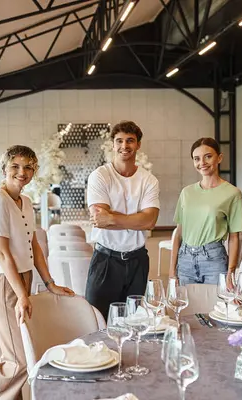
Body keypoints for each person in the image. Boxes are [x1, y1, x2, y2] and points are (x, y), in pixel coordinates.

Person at [0, 145, 74, 400]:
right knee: (20, 358)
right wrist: (22, 296)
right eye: (15, 166)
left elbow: (34, 244)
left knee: (8, 353)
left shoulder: (25, 201)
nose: (22, 172)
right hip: (6, 282)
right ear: (4, 169)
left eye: (28, 167)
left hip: (23, 278)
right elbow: (3, 255)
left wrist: (49, 283)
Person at [85, 121, 160, 320]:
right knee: (97, 320)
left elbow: (150, 221)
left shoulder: (149, 180)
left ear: (138, 145)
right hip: (105, 260)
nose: (124, 146)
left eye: (130, 141)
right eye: (119, 141)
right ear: (113, 144)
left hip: (138, 260)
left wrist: (112, 218)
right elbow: (100, 218)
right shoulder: (100, 176)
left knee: (133, 321)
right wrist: (137, 220)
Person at [169, 137, 242, 289]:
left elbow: (234, 237)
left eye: (208, 156)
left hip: (214, 260)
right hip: (185, 259)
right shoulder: (187, 192)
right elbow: (179, 233)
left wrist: (231, 273)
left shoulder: (232, 193)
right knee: (186, 309)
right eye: (196, 159)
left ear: (219, 157)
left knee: (215, 309)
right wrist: (172, 271)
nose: (202, 163)